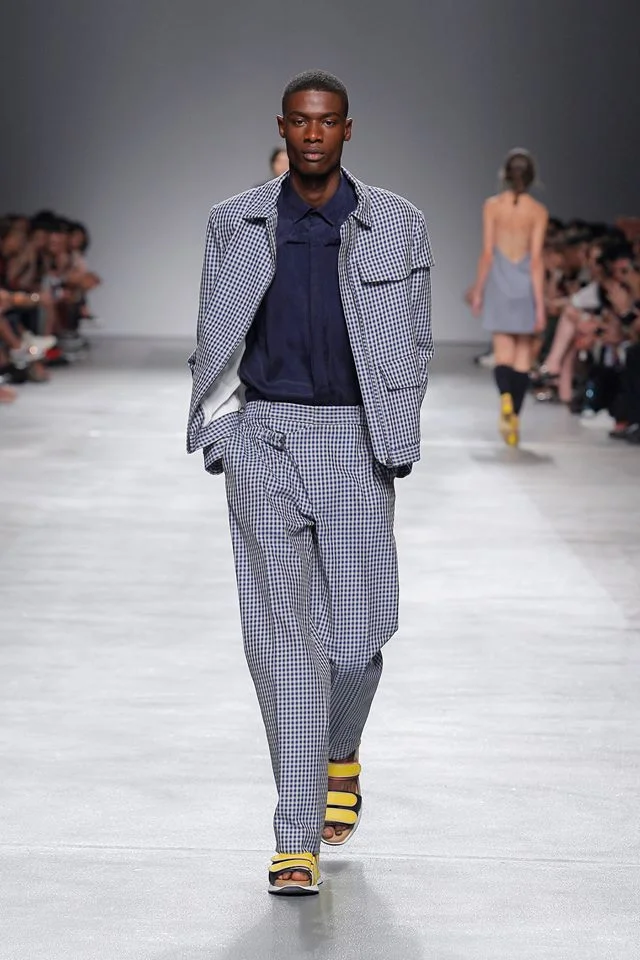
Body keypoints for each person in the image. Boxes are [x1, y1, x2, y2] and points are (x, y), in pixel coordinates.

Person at [187, 69, 434, 896]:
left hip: (356, 440)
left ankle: (339, 752)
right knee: (284, 646)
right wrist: (223, 436)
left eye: (327, 121)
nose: (314, 133)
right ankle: (295, 838)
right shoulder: (235, 221)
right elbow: (213, 332)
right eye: (300, 121)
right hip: (262, 439)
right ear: (283, 127)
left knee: (357, 643)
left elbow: (417, 339)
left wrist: (395, 434)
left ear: (347, 129)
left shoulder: (397, 223)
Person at [471, 149, 548, 445]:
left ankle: (505, 397)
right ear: (532, 178)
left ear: (504, 175)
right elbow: (537, 260)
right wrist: (540, 306)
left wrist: (478, 291)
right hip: (525, 284)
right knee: (522, 359)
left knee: (502, 354)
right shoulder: (537, 211)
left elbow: (487, 253)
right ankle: (514, 416)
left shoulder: (492, 206)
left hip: (500, 283)